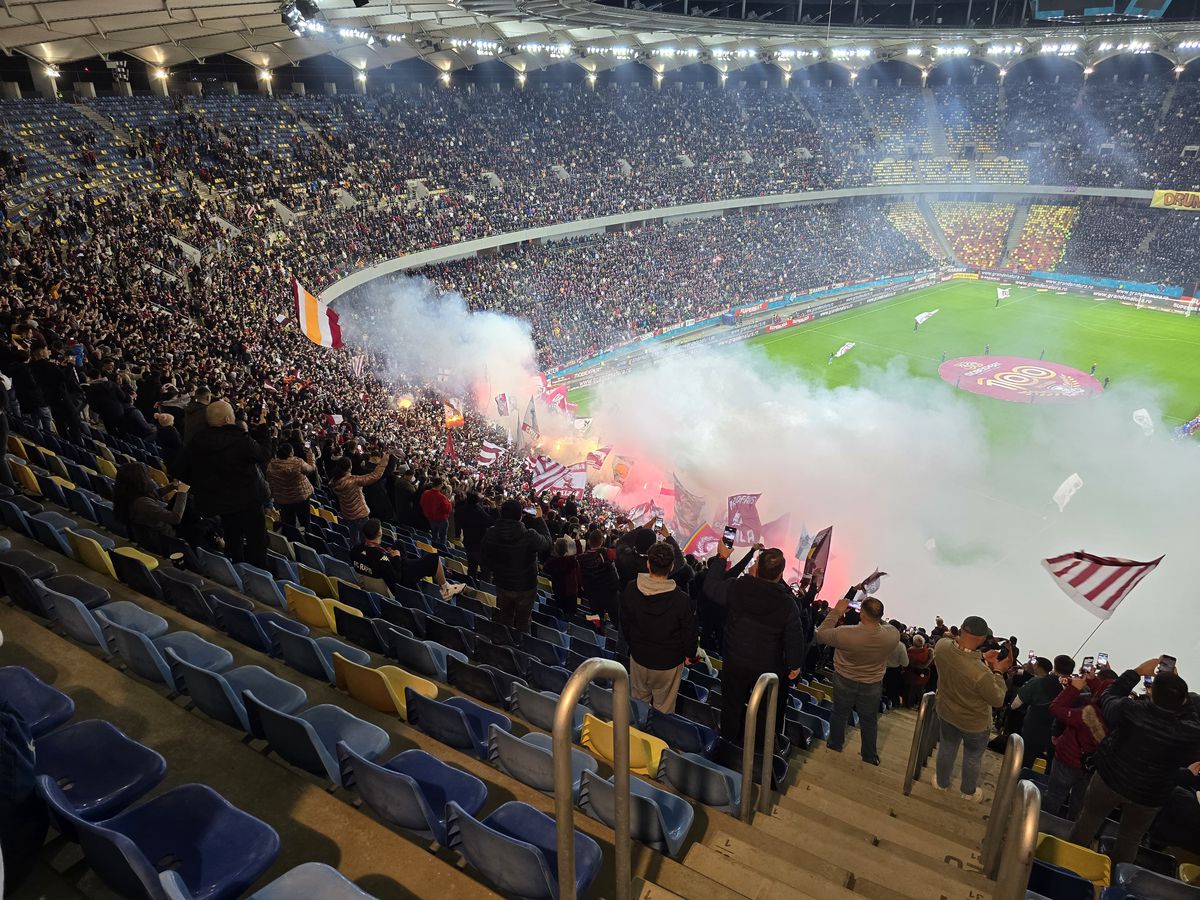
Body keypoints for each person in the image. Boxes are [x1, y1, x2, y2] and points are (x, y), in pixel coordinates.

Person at [1069, 662, 1200, 864]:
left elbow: (1109, 696)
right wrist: (1177, 688)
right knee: (1130, 839)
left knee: (1088, 820)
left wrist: (1136, 672)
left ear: (1151, 692)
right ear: (1182, 700)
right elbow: (1192, 716)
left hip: (1109, 779)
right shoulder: (1189, 732)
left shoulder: (1130, 709)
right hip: (1150, 795)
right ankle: (1116, 886)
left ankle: (1068, 865)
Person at [705, 543, 806, 744]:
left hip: (735, 661)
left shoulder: (738, 586)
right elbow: (794, 636)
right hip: (766, 670)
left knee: (731, 706)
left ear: (757, 567)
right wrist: (795, 664)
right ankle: (757, 753)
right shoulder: (787, 604)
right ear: (781, 574)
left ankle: (728, 746)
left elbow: (710, 587)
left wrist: (721, 558)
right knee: (762, 712)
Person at [174, 400, 269, 567]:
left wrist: (208, 485)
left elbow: (180, 471)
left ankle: (237, 569)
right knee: (257, 541)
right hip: (249, 501)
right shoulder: (241, 441)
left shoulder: (197, 441)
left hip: (221, 503)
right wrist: (263, 429)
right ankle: (260, 575)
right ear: (226, 419)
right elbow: (264, 455)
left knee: (233, 538)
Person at [816, 583, 901, 765]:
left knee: (839, 713)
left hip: (844, 679)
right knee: (869, 720)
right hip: (872, 684)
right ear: (880, 616)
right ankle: (869, 756)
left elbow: (821, 634)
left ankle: (835, 745)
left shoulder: (845, 633)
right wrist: (876, 619)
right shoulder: (893, 635)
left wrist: (837, 612)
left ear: (861, 614)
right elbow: (885, 625)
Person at [931, 616, 1011, 801]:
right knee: (973, 757)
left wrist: (981, 657)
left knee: (946, 748)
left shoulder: (942, 646)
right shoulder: (981, 673)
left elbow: (959, 656)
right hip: (974, 723)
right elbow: (998, 699)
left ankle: (941, 783)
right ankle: (968, 792)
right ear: (983, 639)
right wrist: (998, 672)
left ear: (961, 629)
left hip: (946, 712)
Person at [619, 542, 698, 714]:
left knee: (638, 703)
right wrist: (690, 655)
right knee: (664, 709)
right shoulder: (682, 600)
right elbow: (689, 634)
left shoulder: (632, 588)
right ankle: (656, 739)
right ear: (671, 567)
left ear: (648, 563)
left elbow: (624, 623)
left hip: (639, 657)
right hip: (668, 664)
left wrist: (633, 644)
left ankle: (636, 737)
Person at [1045, 670, 1116, 819]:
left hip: (1066, 761)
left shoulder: (1086, 714)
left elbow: (1055, 708)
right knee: (1078, 805)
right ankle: (1068, 832)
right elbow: (1108, 695)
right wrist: (1093, 680)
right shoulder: (1121, 720)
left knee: (1054, 797)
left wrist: (1074, 688)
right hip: (1091, 767)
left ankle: (1042, 825)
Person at [480, 500, 551, 633]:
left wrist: (494, 571)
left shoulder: (491, 533)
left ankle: (504, 645)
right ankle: (520, 648)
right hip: (525, 588)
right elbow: (547, 542)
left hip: (502, 583)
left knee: (504, 617)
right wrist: (540, 519)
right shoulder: (530, 535)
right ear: (520, 516)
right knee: (523, 621)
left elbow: (484, 559)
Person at [350, 518, 463, 600]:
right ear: (379, 533)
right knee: (434, 559)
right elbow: (397, 578)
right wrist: (397, 557)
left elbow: (371, 559)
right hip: (395, 581)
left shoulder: (355, 550)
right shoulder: (381, 558)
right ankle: (446, 590)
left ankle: (412, 565)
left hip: (380, 573)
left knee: (399, 543)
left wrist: (392, 556)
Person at [112, 462, 189, 557]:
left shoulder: (128, 495)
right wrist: (182, 493)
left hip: (152, 535)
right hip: (166, 538)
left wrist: (172, 486)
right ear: (140, 480)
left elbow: (153, 494)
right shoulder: (142, 504)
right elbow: (175, 518)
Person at [1011, 655, 1067, 768]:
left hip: (1032, 731)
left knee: (1024, 763)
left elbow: (1015, 705)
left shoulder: (1036, 682)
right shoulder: (1071, 689)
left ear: (1055, 667)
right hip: (1054, 736)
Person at [329, 453, 390, 548]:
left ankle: (355, 553)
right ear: (349, 468)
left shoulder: (334, 481)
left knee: (353, 538)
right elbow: (375, 476)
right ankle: (364, 556)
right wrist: (385, 459)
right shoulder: (353, 481)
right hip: (360, 514)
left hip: (347, 513)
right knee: (365, 539)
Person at [266, 442, 315, 530]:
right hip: (300, 497)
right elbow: (311, 469)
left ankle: (291, 540)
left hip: (283, 499)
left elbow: (271, 482)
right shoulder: (298, 463)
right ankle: (308, 540)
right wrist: (310, 455)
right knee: (305, 522)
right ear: (291, 453)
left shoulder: (271, 465)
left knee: (288, 524)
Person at [578, 528, 620, 623]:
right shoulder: (607, 553)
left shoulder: (581, 558)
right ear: (602, 542)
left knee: (596, 618)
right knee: (615, 618)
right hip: (609, 593)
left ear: (589, 541)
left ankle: (597, 632)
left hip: (592, 593)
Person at [455, 491, 494, 584]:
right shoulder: (479, 512)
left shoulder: (460, 510)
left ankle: (471, 587)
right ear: (477, 501)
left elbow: (458, 527)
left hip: (468, 542)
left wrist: (457, 535)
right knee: (485, 570)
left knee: (472, 568)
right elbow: (491, 522)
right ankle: (484, 590)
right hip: (481, 545)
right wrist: (494, 508)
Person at [543, 536, 582, 619]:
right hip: (570, 594)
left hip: (558, 591)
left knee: (559, 613)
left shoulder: (552, 563)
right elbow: (579, 578)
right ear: (567, 550)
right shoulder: (572, 562)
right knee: (570, 616)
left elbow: (545, 568)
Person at [419, 477, 453, 546]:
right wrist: (448, 500)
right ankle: (441, 551)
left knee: (434, 535)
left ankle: (433, 547)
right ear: (440, 485)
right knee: (442, 537)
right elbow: (448, 509)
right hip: (441, 520)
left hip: (430, 519)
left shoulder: (426, 493)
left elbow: (421, 503)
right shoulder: (442, 497)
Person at [905, 634, 933, 707]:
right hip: (924, 674)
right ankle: (921, 706)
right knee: (920, 690)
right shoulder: (928, 652)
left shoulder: (910, 653)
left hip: (912, 674)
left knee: (911, 690)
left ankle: (909, 704)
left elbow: (907, 663)